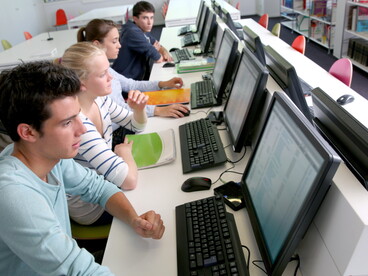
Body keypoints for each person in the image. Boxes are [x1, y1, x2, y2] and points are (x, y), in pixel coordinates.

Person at [0, 61, 165, 275]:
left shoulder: (49, 157)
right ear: (28, 132)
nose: (81, 129)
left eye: (78, 115)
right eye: (67, 123)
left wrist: (133, 219)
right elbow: (77, 271)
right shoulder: (13, 194)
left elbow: (98, 188)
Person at [60, 42, 146, 225]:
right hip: (92, 207)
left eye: (109, 70)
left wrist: (139, 110)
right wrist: (124, 154)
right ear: (81, 83)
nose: (111, 79)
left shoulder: (100, 100)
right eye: (102, 74)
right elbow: (128, 181)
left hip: (107, 185)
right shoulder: (78, 123)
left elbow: (136, 125)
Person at [77, 18, 189, 119]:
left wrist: (162, 84)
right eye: (114, 41)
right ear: (97, 44)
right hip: (121, 124)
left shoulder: (107, 70)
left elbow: (132, 85)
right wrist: (158, 110)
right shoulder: (95, 77)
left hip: (127, 117)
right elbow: (120, 110)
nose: (119, 45)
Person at [112, 1, 173, 80]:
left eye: (151, 18)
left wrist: (164, 52)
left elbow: (156, 44)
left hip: (137, 77)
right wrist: (154, 49)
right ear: (135, 19)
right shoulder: (132, 32)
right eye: (145, 18)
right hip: (126, 82)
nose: (149, 22)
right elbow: (158, 58)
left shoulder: (141, 29)